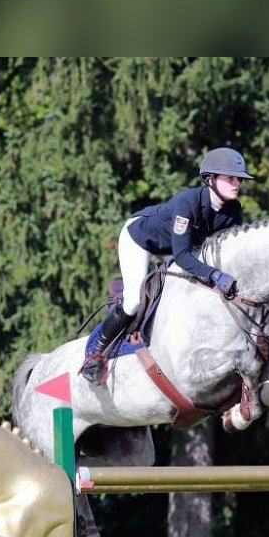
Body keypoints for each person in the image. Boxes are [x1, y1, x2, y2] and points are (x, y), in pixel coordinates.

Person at [79, 146, 254, 384]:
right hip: (141, 239)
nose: (237, 184)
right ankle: (95, 355)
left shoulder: (233, 211)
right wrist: (214, 275)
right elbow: (182, 256)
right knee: (134, 300)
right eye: (231, 178)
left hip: (175, 248)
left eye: (239, 179)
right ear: (210, 180)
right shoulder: (187, 203)